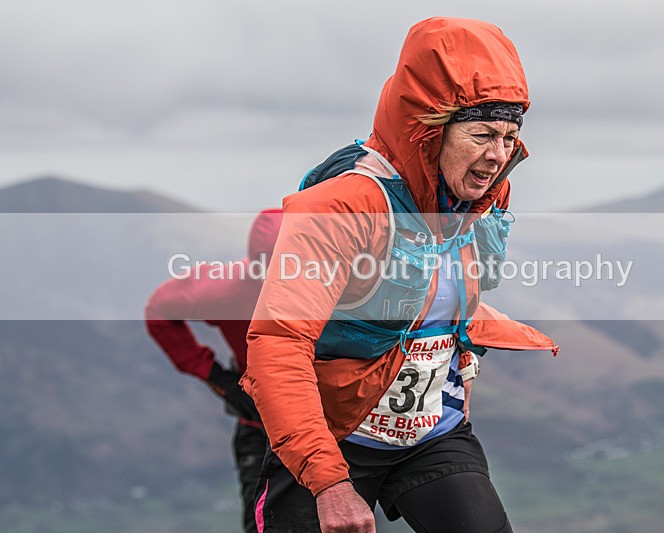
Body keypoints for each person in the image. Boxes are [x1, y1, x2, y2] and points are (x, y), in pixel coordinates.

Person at [242, 17, 557, 533]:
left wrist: (470, 352)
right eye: (481, 134)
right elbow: (279, 344)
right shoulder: (344, 207)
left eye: (509, 136)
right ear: (429, 133)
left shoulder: (481, 193)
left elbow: (444, 300)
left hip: (432, 434)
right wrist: (328, 482)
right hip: (335, 438)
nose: (498, 156)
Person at [145, 209, 282, 533]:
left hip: (327, 423)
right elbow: (158, 311)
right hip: (263, 426)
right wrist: (219, 378)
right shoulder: (226, 290)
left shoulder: (339, 282)